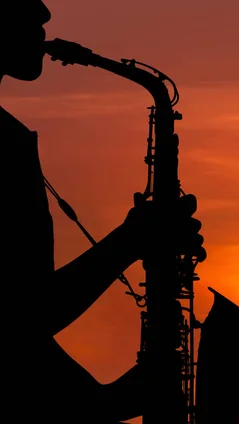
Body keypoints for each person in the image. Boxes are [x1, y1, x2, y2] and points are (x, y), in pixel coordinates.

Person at [0, 1, 206, 422]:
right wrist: (131, 241)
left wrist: (104, 402)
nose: (43, 14)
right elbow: (15, 322)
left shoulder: (7, 140)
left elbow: (17, 329)